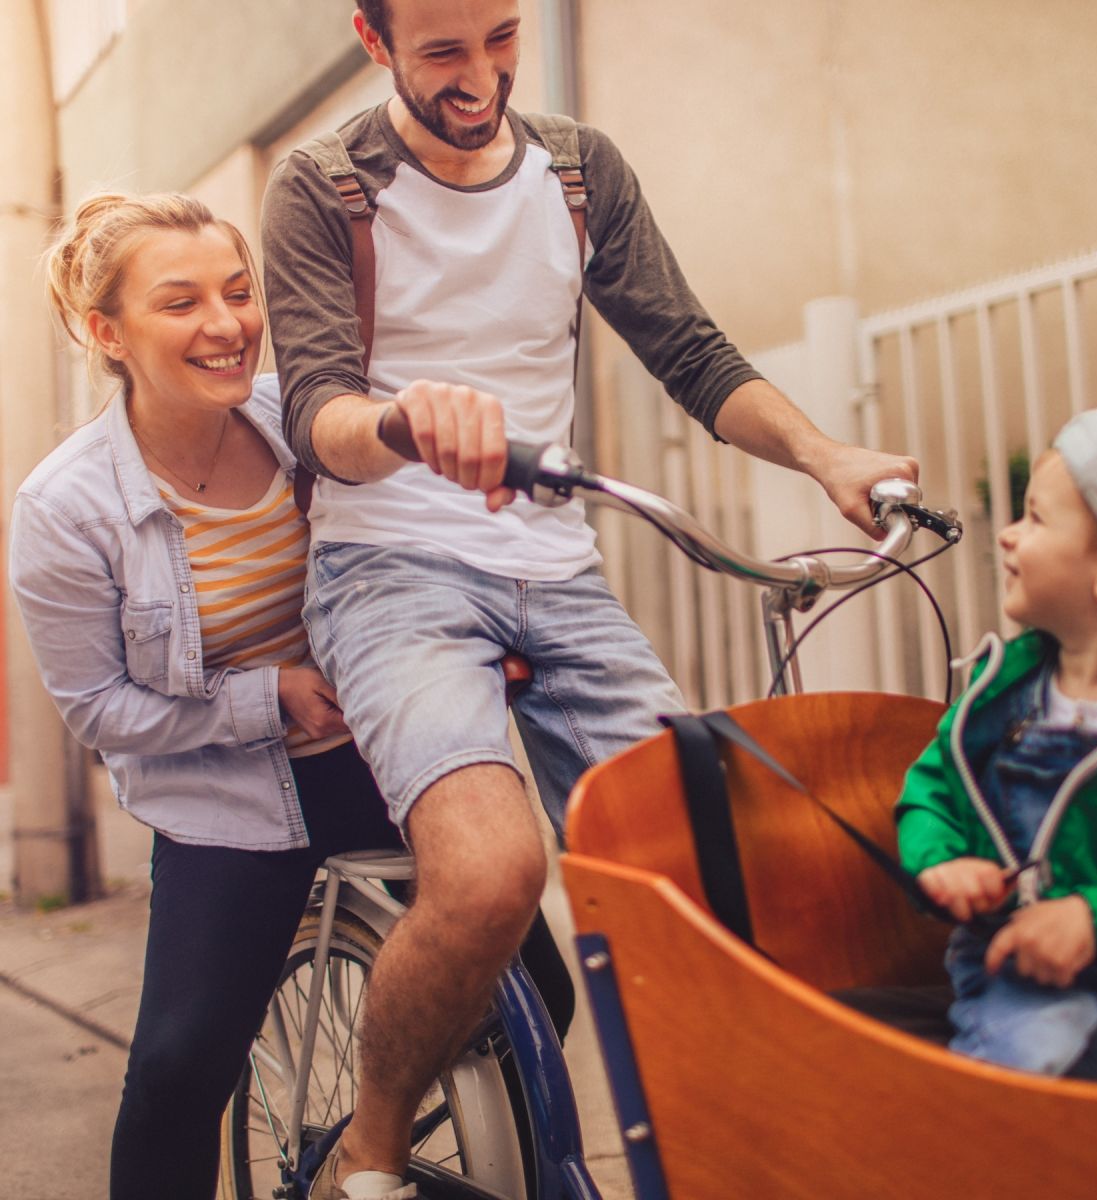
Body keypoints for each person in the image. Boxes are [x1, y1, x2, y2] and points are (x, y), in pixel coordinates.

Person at [261, 2, 919, 1194]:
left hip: (558, 576)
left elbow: (695, 354)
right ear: (373, 38)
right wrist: (405, 422)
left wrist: (831, 458)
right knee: (489, 875)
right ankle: (370, 1152)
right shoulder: (321, 186)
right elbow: (317, 414)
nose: (482, 77)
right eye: (444, 53)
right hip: (390, 570)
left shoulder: (576, 169)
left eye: (501, 36)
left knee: (716, 862)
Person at [8, 192, 411, 1200]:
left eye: (237, 291)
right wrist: (264, 697)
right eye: (181, 302)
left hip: (380, 758)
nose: (227, 323)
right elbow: (98, 708)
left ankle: (383, 1143)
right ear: (107, 333)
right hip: (227, 800)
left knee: (528, 984)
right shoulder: (66, 508)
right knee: (180, 1068)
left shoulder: (303, 421)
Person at [896, 407, 1097, 1081]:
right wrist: (940, 862)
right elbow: (931, 793)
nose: (1005, 535)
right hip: (1021, 972)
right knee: (1044, 1061)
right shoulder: (996, 694)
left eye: (1034, 517)